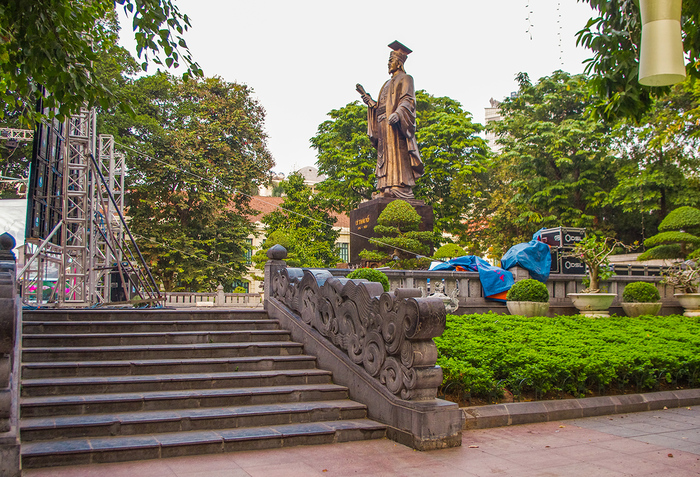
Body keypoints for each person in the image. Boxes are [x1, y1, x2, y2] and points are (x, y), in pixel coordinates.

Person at [358, 41, 424, 199]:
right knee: (384, 155)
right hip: (382, 124)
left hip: (395, 124)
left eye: (391, 60)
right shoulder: (386, 84)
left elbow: (408, 100)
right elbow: (381, 106)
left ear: (399, 63)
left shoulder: (406, 79)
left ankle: (398, 186)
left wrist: (399, 113)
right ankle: (384, 186)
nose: (388, 64)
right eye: (388, 60)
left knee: (396, 153)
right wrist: (371, 103)